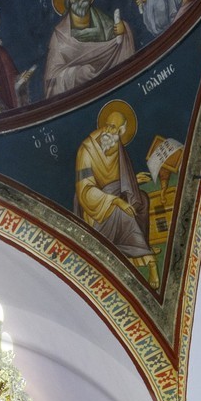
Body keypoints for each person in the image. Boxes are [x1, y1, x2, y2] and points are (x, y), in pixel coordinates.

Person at [74, 100, 159, 287]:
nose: (108, 131)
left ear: (122, 132)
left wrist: (133, 181)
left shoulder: (118, 145)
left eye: (114, 128)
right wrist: (114, 201)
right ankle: (149, 261)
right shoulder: (87, 150)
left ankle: (141, 246)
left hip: (114, 195)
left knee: (142, 200)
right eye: (107, 125)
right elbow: (84, 191)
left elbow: (120, 177)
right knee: (124, 213)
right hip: (95, 208)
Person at [43, 0, 136, 100]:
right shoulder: (60, 36)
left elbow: (117, 40)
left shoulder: (102, 20)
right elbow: (52, 81)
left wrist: (123, 30)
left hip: (114, 86)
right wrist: (77, 74)